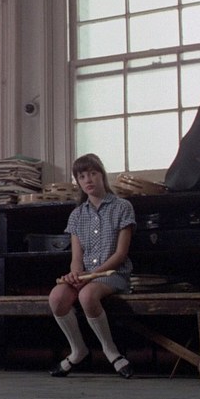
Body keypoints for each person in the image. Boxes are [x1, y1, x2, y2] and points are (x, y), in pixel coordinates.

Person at [48, 153, 135, 379]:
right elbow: (77, 258)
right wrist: (75, 274)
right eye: (82, 176)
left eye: (93, 173)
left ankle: (111, 351)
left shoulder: (122, 207)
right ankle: (78, 351)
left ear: (102, 175)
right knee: (56, 297)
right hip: (86, 276)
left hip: (113, 274)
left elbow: (120, 254)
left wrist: (92, 275)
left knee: (87, 296)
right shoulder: (77, 215)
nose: (88, 179)